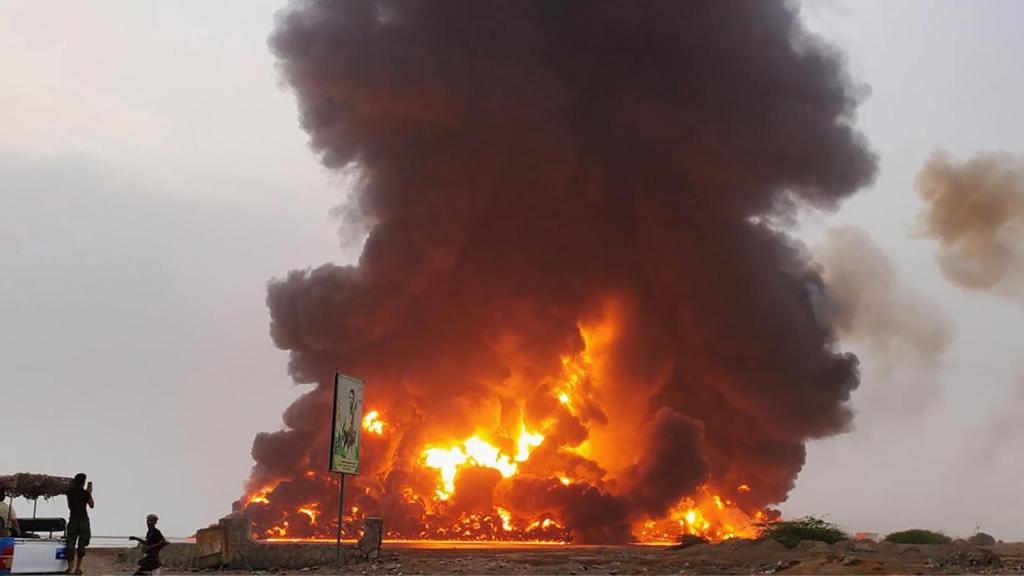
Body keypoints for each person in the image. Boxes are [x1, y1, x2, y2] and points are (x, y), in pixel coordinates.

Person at [65, 473, 94, 575]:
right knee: (81, 545)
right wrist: (89, 493)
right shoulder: (85, 493)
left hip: (73, 520)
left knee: (70, 544)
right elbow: (92, 505)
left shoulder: (69, 492)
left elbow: (69, 506)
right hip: (83, 520)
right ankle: (78, 569)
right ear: (83, 482)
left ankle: (70, 568)